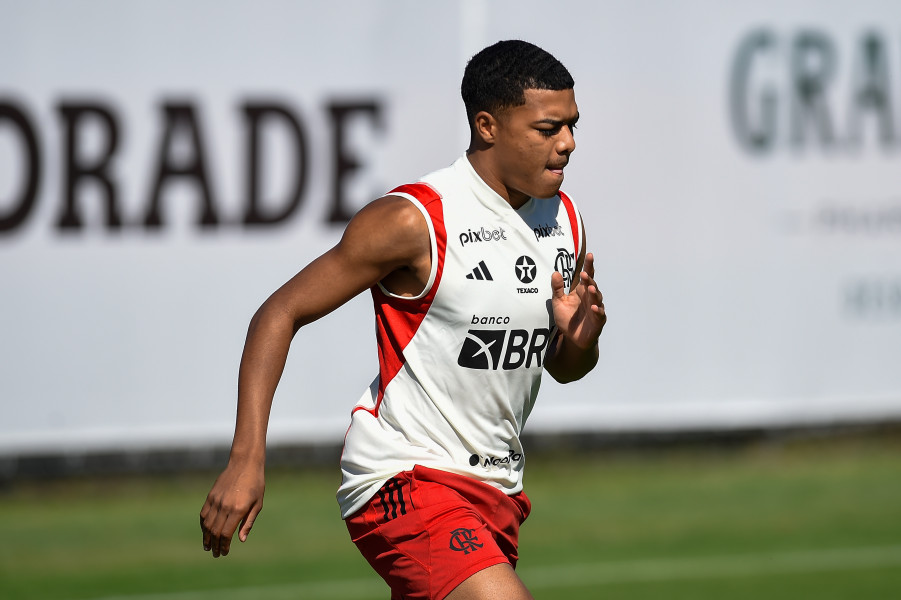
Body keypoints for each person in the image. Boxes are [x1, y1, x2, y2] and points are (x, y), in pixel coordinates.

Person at [200, 39, 605, 600]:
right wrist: (246, 458)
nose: (568, 144)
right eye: (548, 129)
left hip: (497, 491)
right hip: (404, 478)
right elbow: (279, 312)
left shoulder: (566, 220)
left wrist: (579, 344)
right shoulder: (414, 219)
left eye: (572, 125)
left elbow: (566, 369)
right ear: (487, 126)